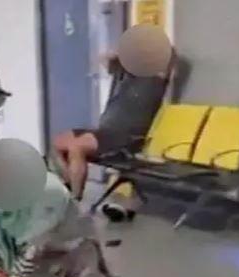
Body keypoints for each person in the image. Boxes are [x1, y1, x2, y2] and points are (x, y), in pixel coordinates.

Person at [0, 171, 118, 277]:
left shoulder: (49, 192)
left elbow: (35, 245)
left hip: (72, 245)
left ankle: (96, 272)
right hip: (37, 252)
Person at [51, 51, 175, 202]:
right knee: (57, 143)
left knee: (77, 147)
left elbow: (169, 54)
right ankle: (69, 183)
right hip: (103, 131)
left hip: (124, 136)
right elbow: (104, 58)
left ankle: (75, 197)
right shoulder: (123, 74)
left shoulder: (154, 80)